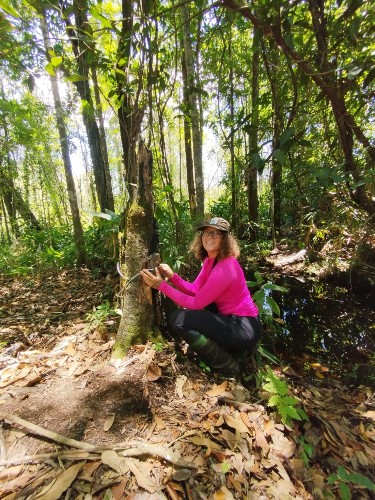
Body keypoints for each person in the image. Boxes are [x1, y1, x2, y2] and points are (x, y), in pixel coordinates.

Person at [140, 217, 261, 378]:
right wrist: (172, 277)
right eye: (206, 232)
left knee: (178, 319)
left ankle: (227, 365)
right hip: (231, 319)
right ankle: (227, 348)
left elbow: (196, 303)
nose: (209, 237)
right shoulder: (211, 260)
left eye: (215, 234)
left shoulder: (225, 267)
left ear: (225, 239)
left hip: (244, 327)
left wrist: (161, 286)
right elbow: (196, 290)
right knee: (196, 312)